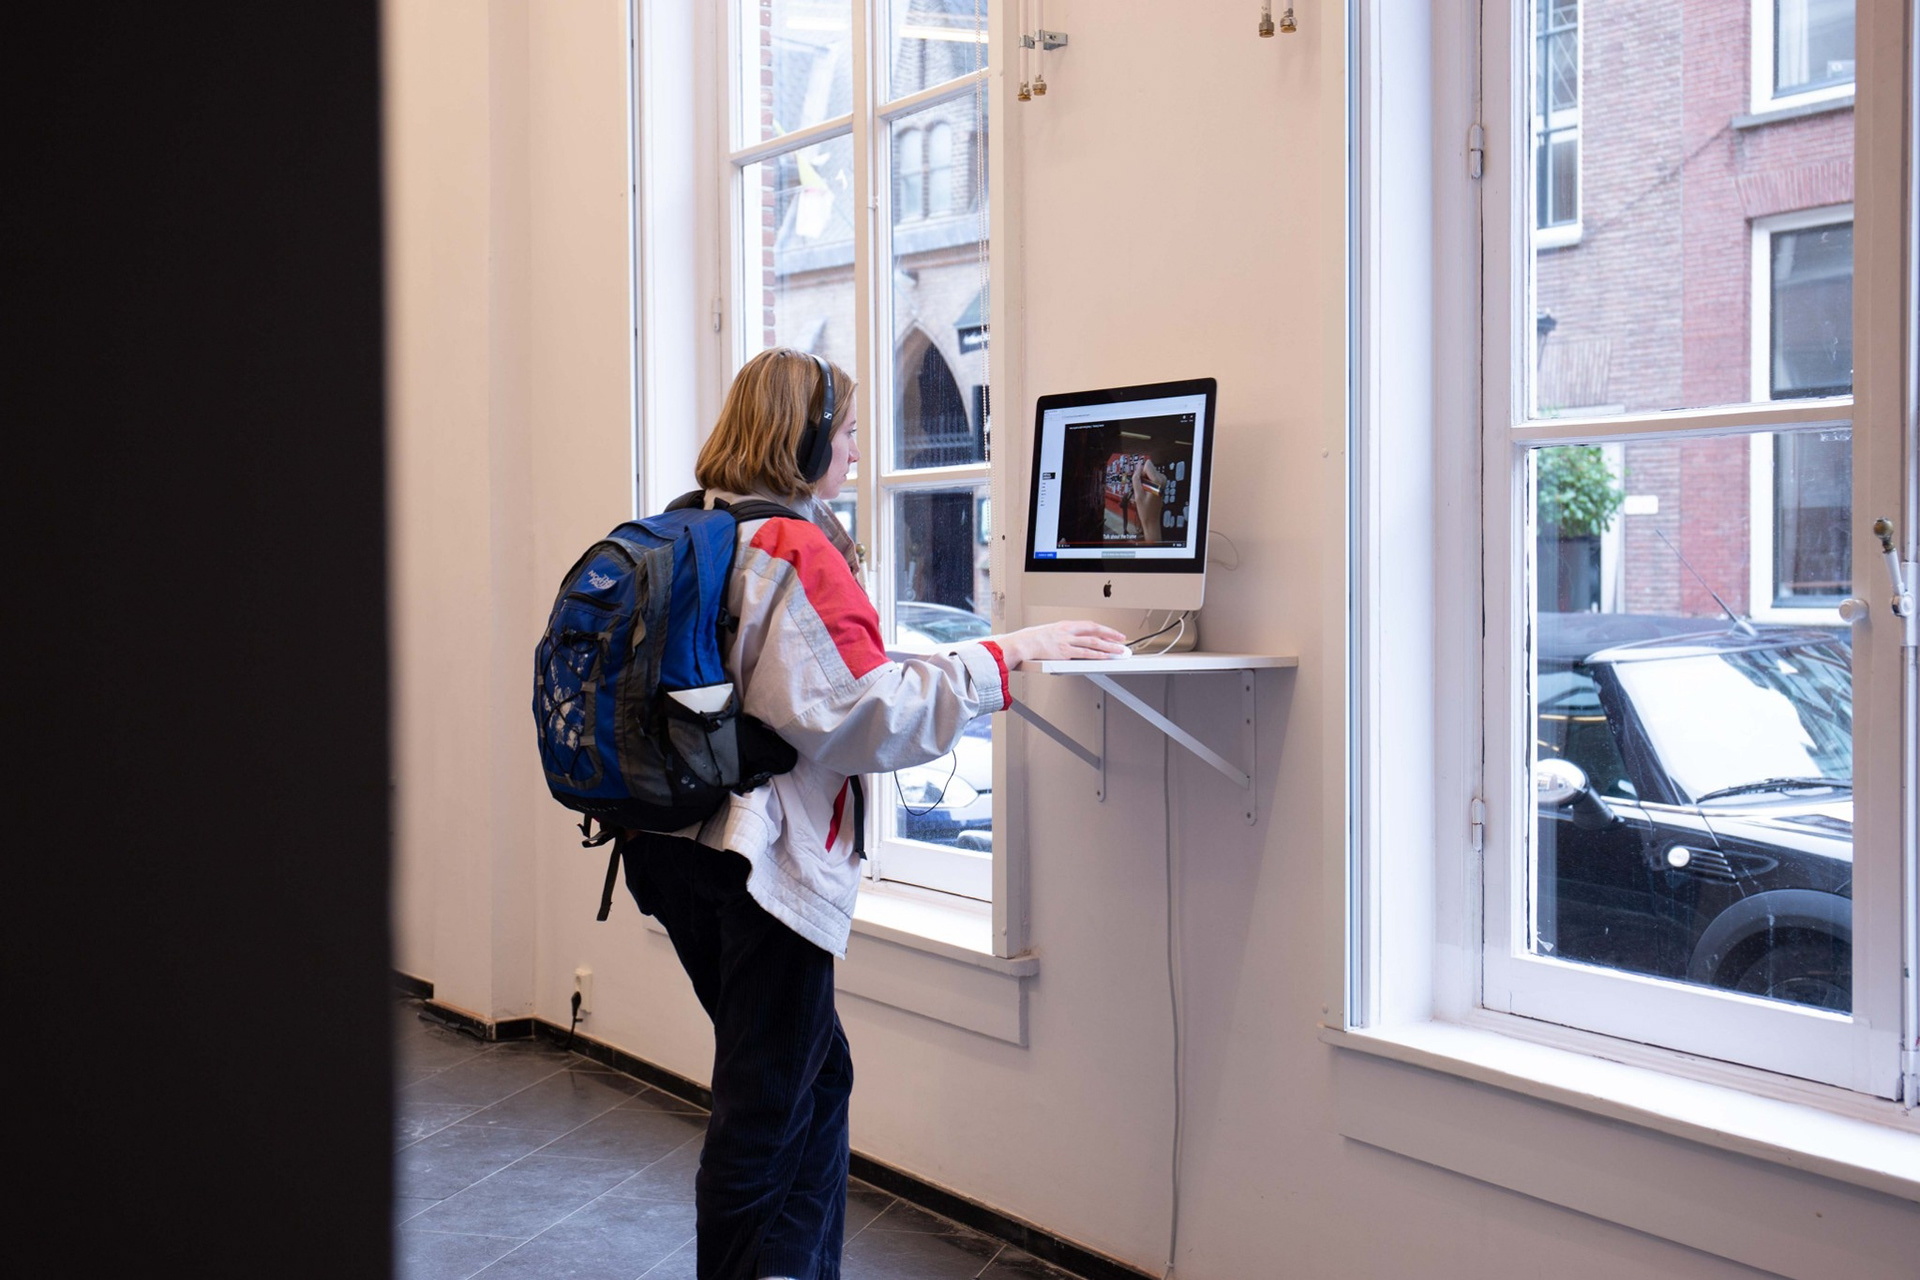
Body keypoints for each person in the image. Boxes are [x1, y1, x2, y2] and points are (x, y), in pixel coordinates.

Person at [618, 347, 1125, 1280]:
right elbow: (868, 714)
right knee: (768, 1107)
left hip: (665, 848)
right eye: (847, 431)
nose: (856, 450)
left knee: (812, 1077)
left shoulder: (693, 525)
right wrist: (1009, 654)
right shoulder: (790, 547)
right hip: (756, 869)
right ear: (805, 438)